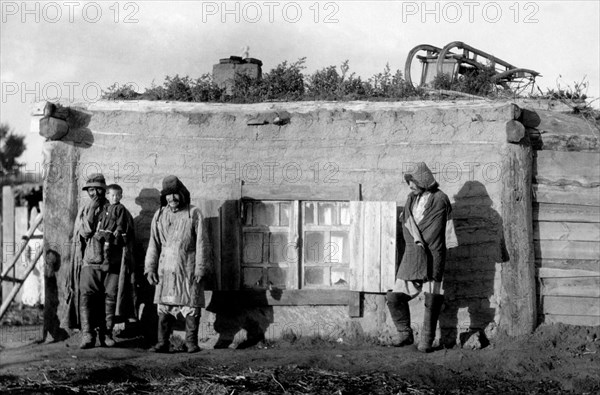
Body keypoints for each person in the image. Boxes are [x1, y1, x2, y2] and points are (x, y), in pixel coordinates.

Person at [387, 162, 457, 353]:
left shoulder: (440, 199)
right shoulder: (411, 199)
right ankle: (404, 333)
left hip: (432, 254)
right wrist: (414, 243)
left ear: (423, 181)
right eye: (409, 182)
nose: (410, 185)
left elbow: (436, 230)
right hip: (412, 253)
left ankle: (427, 340)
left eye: (413, 181)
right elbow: (407, 223)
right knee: (394, 296)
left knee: (431, 297)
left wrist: (422, 242)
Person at [144, 175, 211, 353]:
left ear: (182, 194)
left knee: (191, 305)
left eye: (175, 194)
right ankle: (162, 342)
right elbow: (153, 243)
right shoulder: (159, 215)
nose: (172, 198)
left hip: (187, 266)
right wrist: (150, 267)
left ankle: (191, 343)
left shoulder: (193, 213)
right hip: (165, 268)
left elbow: (202, 243)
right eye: (168, 195)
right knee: (164, 307)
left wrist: (200, 267)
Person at [72, 174, 136, 349]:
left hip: (112, 263)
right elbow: (84, 232)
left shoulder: (117, 210)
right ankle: (87, 334)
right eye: (90, 190)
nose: (94, 193)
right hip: (90, 261)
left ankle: (106, 333)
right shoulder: (85, 210)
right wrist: (92, 210)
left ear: (105, 190)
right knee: (86, 298)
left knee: (110, 298)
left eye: (98, 189)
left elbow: (127, 233)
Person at [92, 184, 128, 271]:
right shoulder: (106, 206)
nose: (115, 197)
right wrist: (98, 226)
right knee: (96, 238)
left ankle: (107, 261)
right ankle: (98, 256)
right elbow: (101, 218)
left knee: (107, 246)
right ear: (107, 196)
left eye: (118, 195)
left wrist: (118, 229)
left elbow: (121, 220)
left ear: (121, 196)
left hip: (110, 232)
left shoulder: (120, 208)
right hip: (102, 230)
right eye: (113, 195)